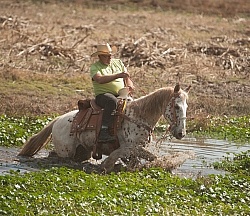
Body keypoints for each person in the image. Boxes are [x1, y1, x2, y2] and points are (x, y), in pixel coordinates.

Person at [90, 43, 134, 142]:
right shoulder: (95, 67)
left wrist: (129, 85)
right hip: (103, 95)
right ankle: (104, 130)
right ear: (100, 56)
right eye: (106, 56)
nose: (109, 58)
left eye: (110, 55)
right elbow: (99, 79)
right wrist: (117, 76)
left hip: (121, 93)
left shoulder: (118, 62)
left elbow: (127, 77)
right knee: (112, 102)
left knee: (134, 105)